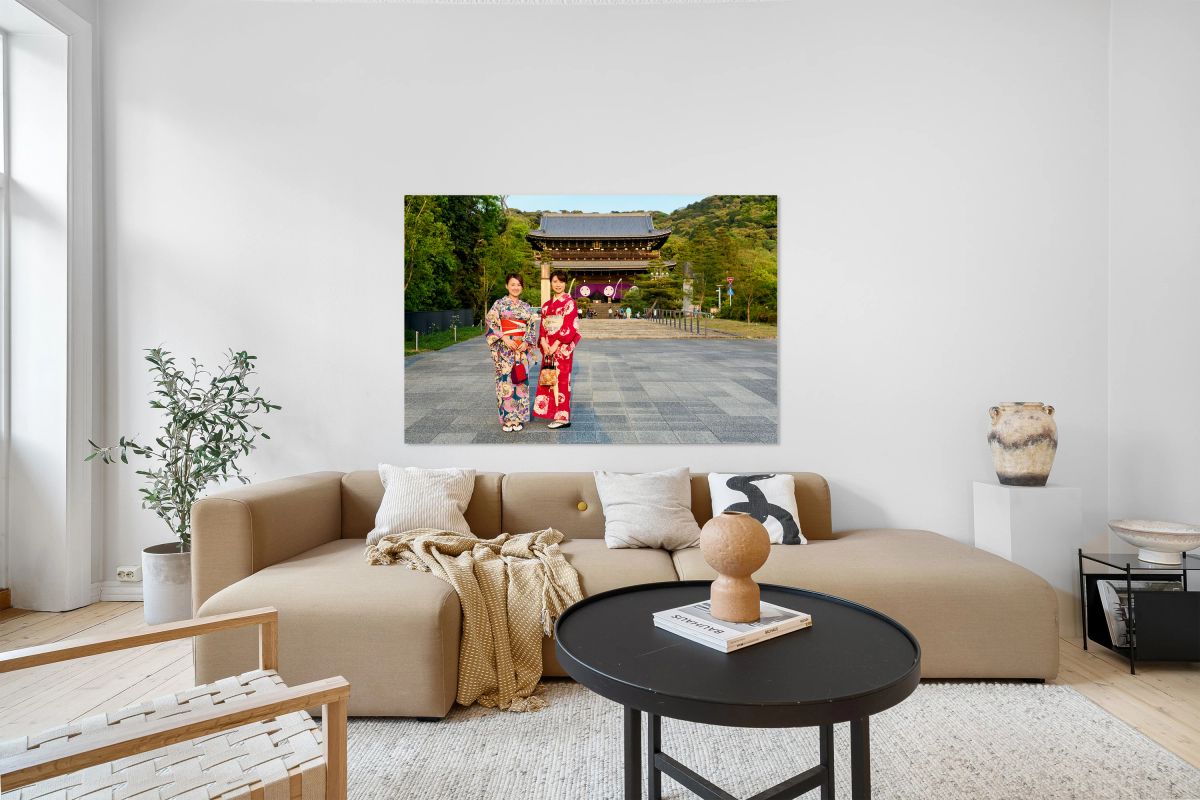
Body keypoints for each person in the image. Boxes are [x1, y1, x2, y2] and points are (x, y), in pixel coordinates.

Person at [484, 273, 537, 432]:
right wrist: (504, 337)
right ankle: (507, 419)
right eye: (513, 284)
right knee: (505, 383)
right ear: (507, 286)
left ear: (522, 287)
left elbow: (531, 327)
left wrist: (526, 342)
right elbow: (490, 323)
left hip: (521, 350)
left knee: (520, 382)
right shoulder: (499, 304)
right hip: (504, 350)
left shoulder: (526, 306)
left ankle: (518, 418)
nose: (516, 287)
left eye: (519, 285)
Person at [533, 270, 582, 430]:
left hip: (562, 348)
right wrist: (544, 342)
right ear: (551, 283)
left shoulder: (569, 303)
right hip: (549, 348)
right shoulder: (547, 305)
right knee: (549, 379)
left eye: (561, 281)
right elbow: (543, 327)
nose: (558, 284)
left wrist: (555, 345)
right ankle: (552, 413)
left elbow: (570, 325)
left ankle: (562, 417)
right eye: (555, 281)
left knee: (561, 381)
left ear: (565, 283)